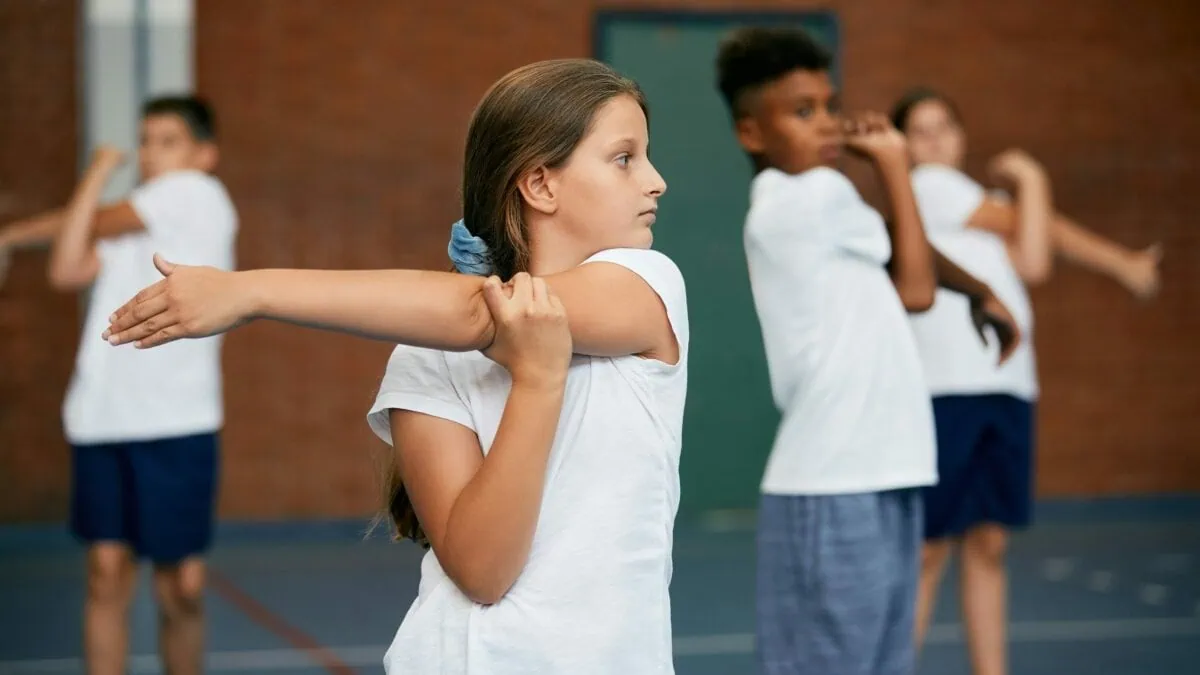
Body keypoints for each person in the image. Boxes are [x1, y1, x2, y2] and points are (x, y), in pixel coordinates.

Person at [101, 58, 688, 675]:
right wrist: (538, 385)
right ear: (541, 184)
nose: (656, 181)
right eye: (625, 158)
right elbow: (484, 571)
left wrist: (252, 291)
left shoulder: (650, 286)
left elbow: (483, 313)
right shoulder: (423, 356)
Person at [715, 26, 1020, 675]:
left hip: (884, 467)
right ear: (751, 133)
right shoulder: (802, 199)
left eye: (828, 105)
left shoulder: (824, 201)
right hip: (835, 478)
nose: (827, 123)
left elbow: (892, 236)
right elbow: (913, 288)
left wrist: (979, 289)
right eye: (803, 112)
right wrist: (891, 164)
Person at [890, 87, 1161, 675]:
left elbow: (1032, 256)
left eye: (945, 125)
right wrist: (1034, 179)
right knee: (931, 548)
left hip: (1008, 387)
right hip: (947, 390)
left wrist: (1032, 193)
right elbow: (1038, 247)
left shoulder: (977, 200)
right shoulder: (928, 189)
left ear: (964, 135)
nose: (935, 138)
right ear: (904, 145)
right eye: (920, 129)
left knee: (989, 545)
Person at [0, 96, 236, 675]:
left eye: (168, 140)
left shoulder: (197, 194)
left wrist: (8, 234)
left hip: (178, 420)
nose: (151, 153)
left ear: (204, 155)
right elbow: (65, 269)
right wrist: (98, 174)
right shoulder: (134, 220)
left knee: (180, 585)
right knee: (106, 574)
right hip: (102, 416)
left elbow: (95, 223)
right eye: (145, 140)